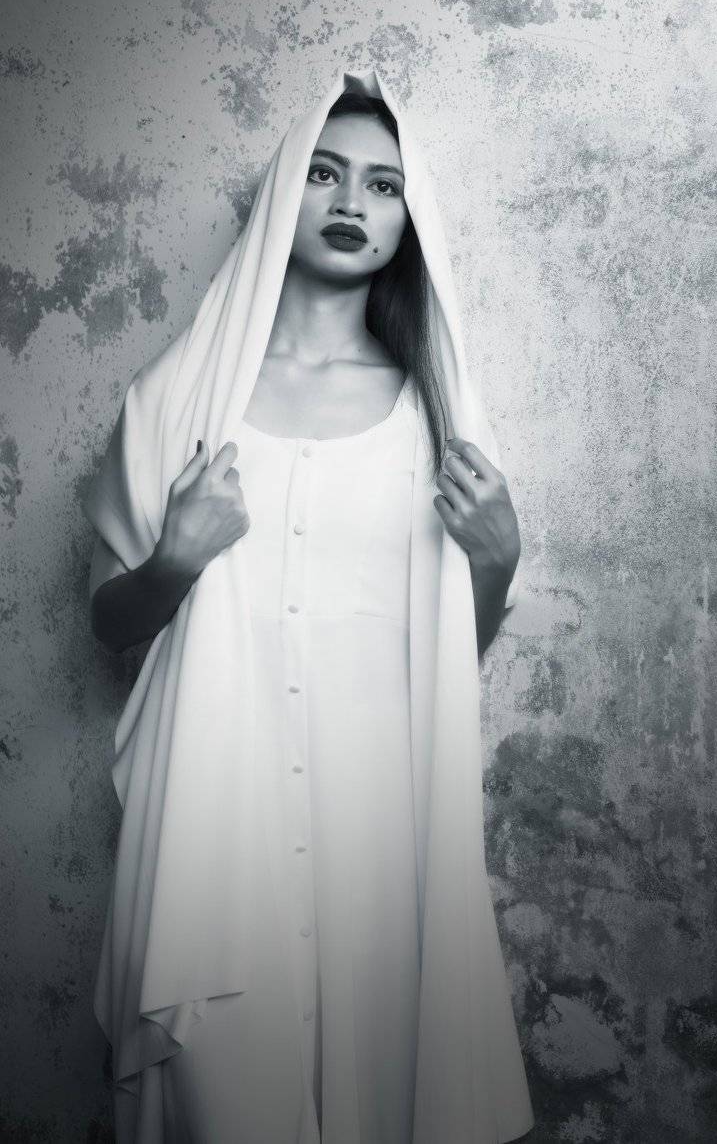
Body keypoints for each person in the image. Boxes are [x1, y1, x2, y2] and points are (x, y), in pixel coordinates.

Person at [83, 68, 536, 1144]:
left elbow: (451, 653)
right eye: (325, 174)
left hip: (379, 828)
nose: (351, 202)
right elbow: (108, 626)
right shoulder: (177, 402)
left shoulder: (436, 415)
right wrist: (174, 560)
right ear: (284, 189)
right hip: (217, 827)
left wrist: (497, 562)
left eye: (383, 184)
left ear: (408, 217)